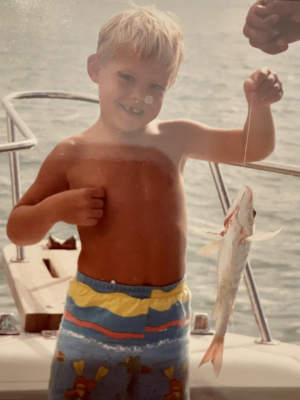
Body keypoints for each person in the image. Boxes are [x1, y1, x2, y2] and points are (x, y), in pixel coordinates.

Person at [6, 6, 283, 400]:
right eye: (127, 77)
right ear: (95, 69)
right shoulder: (72, 153)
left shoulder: (177, 138)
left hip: (168, 317)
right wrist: (55, 210)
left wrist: (260, 106)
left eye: (156, 87)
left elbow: (252, 147)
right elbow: (18, 227)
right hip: (95, 317)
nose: (140, 95)